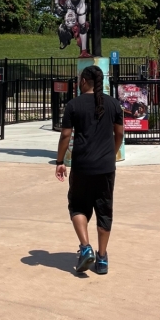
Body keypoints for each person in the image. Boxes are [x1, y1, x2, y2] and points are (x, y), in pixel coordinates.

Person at [55, 65, 124, 275]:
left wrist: (60, 161)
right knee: (104, 211)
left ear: (84, 81)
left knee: (77, 206)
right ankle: (102, 258)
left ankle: (85, 247)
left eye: (78, 80)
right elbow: (119, 133)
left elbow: (66, 135)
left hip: (82, 166)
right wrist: (111, 154)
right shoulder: (113, 104)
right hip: (105, 167)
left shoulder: (73, 105)